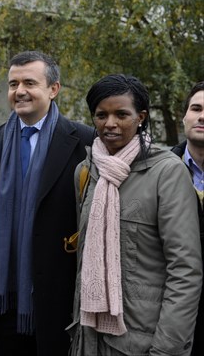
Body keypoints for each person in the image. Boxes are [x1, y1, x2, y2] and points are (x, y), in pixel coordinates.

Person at [69, 74, 202, 355]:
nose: (110, 123)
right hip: (88, 339)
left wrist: (166, 349)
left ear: (140, 117)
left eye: (121, 114)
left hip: (142, 342)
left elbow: (185, 271)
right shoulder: (86, 171)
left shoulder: (167, 172)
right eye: (101, 115)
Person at [0, 51, 94, 356]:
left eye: (30, 82)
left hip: (57, 295)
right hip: (2, 296)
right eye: (13, 83)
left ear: (53, 89)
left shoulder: (84, 142)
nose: (20, 91)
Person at [170, 80, 204, 356]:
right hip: (175, 313)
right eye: (196, 108)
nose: (202, 116)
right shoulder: (160, 172)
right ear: (184, 117)